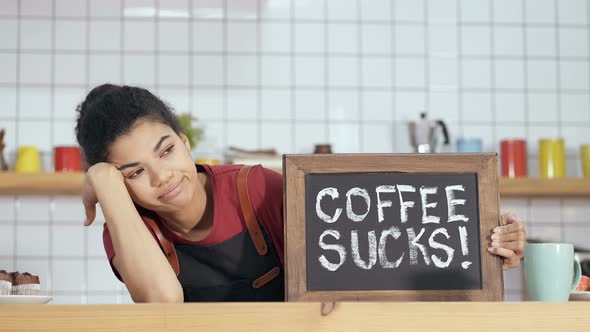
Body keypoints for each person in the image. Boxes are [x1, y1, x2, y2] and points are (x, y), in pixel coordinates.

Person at [75, 84, 526, 303]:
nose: (163, 178)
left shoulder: (257, 190)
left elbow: (368, 265)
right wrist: (106, 185)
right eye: (134, 172)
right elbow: (163, 304)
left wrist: (481, 247)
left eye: (166, 150)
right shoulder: (129, 230)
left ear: (186, 140)